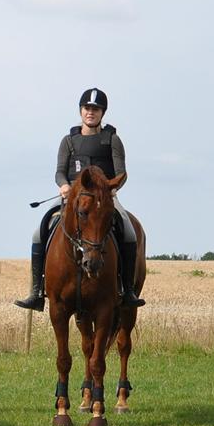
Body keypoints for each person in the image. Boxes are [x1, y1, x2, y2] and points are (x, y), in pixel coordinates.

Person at [14, 87, 145, 311]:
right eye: (87, 108)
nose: (90, 112)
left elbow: (122, 173)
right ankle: (37, 291)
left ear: (102, 112)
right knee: (39, 231)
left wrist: (111, 189)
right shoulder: (69, 141)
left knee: (130, 232)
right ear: (80, 111)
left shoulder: (112, 139)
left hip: (103, 198)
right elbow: (59, 171)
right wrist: (64, 185)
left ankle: (127, 289)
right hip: (73, 197)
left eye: (95, 109)